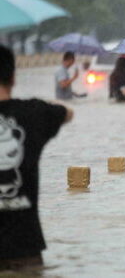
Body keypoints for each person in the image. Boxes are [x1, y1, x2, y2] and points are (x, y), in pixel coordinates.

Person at [0, 45, 73, 270]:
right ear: (13, 77)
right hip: (25, 251)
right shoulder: (34, 113)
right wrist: (37, 105)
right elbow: (67, 112)